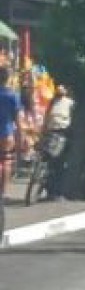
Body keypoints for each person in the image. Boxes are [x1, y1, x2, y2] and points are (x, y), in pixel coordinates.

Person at [39, 83, 74, 199]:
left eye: (63, 87)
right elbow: (46, 116)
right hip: (50, 132)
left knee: (58, 162)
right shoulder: (52, 102)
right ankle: (46, 187)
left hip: (62, 132)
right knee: (47, 160)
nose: (60, 88)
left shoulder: (70, 103)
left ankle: (55, 191)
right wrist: (43, 129)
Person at [0, 63, 23, 200]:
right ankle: (4, 191)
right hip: (7, 133)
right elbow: (18, 120)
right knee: (6, 161)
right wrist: (20, 137)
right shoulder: (13, 96)